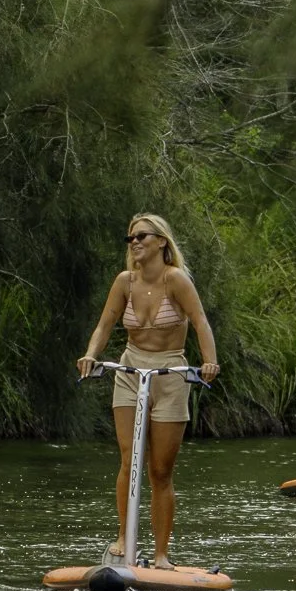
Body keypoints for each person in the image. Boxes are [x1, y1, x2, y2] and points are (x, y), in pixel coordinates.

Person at [77, 215, 219, 568]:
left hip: (170, 372)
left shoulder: (177, 280)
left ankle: (160, 554)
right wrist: (91, 355)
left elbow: (200, 321)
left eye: (141, 236)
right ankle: (125, 538)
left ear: (161, 242)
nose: (134, 243)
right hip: (129, 369)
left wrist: (209, 361)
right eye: (130, 238)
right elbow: (106, 323)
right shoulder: (125, 282)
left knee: (160, 470)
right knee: (129, 459)